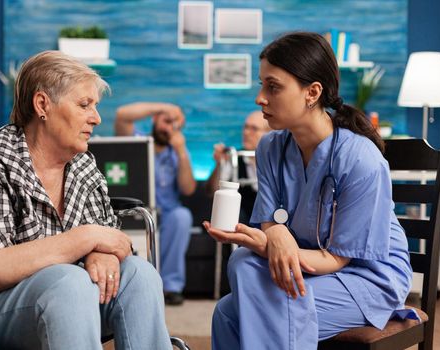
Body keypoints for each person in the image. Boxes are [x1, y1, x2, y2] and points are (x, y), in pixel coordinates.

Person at [203, 32, 416, 349]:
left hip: (365, 279)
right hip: (309, 268)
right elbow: (269, 219)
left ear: (312, 92)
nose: (260, 97)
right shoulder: (271, 147)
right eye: (261, 85)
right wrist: (274, 235)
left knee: (234, 313)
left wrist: (269, 245)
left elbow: (338, 259)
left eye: (272, 86)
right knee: (241, 264)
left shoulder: (360, 160)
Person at [0, 51, 172, 350]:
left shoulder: (82, 164)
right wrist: (85, 239)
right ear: (43, 105)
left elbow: (111, 241)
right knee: (68, 282)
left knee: (140, 275)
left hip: (74, 297)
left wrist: (103, 253)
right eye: (84, 105)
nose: (97, 117)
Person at [115, 102, 196, 305]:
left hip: (167, 214)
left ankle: (171, 287)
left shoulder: (178, 153)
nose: (169, 129)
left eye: (175, 125)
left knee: (182, 216)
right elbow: (122, 115)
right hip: (136, 210)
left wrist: (182, 152)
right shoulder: (136, 141)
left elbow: (188, 189)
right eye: (166, 121)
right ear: (154, 119)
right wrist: (166, 107)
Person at [205, 110, 270, 224]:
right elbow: (213, 192)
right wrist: (219, 164)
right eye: (245, 127)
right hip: (243, 222)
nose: (246, 132)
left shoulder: (279, 160)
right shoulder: (234, 158)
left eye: (253, 129)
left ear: (270, 133)